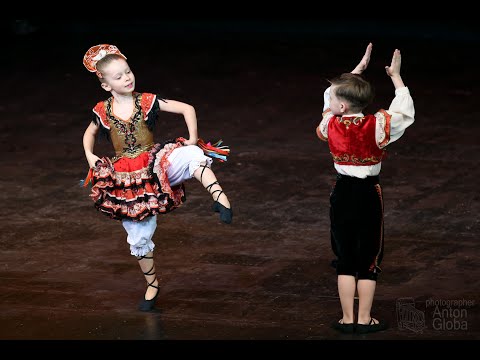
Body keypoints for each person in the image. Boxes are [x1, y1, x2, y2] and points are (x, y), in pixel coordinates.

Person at [81, 44, 233, 312]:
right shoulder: (103, 110)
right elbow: (89, 133)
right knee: (138, 235)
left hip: (155, 163)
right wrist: (90, 156)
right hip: (128, 177)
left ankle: (220, 198)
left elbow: (187, 108)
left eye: (128, 72)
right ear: (106, 85)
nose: (127, 78)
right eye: (118, 77)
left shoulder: (146, 101)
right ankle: (152, 284)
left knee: (191, 154)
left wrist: (193, 138)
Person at [316, 43, 415, 334]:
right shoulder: (378, 125)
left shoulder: (329, 125)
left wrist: (354, 73)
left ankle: (347, 319)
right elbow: (404, 113)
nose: (330, 102)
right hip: (369, 194)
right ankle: (364, 318)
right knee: (369, 254)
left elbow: (328, 104)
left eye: (334, 98)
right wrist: (396, 77)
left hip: (343, 193)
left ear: (341, 106)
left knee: (346, 255)